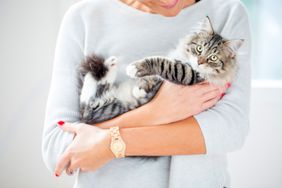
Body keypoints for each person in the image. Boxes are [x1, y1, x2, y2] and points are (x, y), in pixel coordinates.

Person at [41, 0, 251, 187]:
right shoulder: (84, 18)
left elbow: (229, 129)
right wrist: (155, 112)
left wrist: (109, 144)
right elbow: (58, 149)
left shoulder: (227, 13)